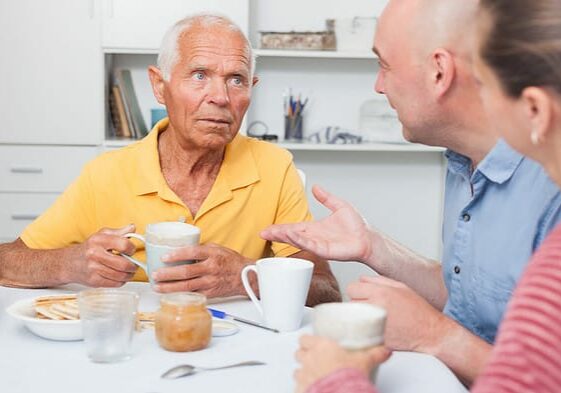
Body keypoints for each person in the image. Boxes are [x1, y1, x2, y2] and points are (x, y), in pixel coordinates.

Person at [261, 0, 561, 384]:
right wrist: (372, 247)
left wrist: (434, 335)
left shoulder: (550, 189)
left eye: (384, 65)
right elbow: (473, 294)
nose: (378, 85)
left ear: (439, 72)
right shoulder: (460, 162)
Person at [0, 14, 341, 305]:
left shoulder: (274, 167)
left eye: (236, 80)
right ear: (159, 86)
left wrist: (245, 276)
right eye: (199, 75)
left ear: (251, 88)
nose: (220, 98)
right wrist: (70, 264)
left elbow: (326, 290)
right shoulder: (106, 174)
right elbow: (7, 261)